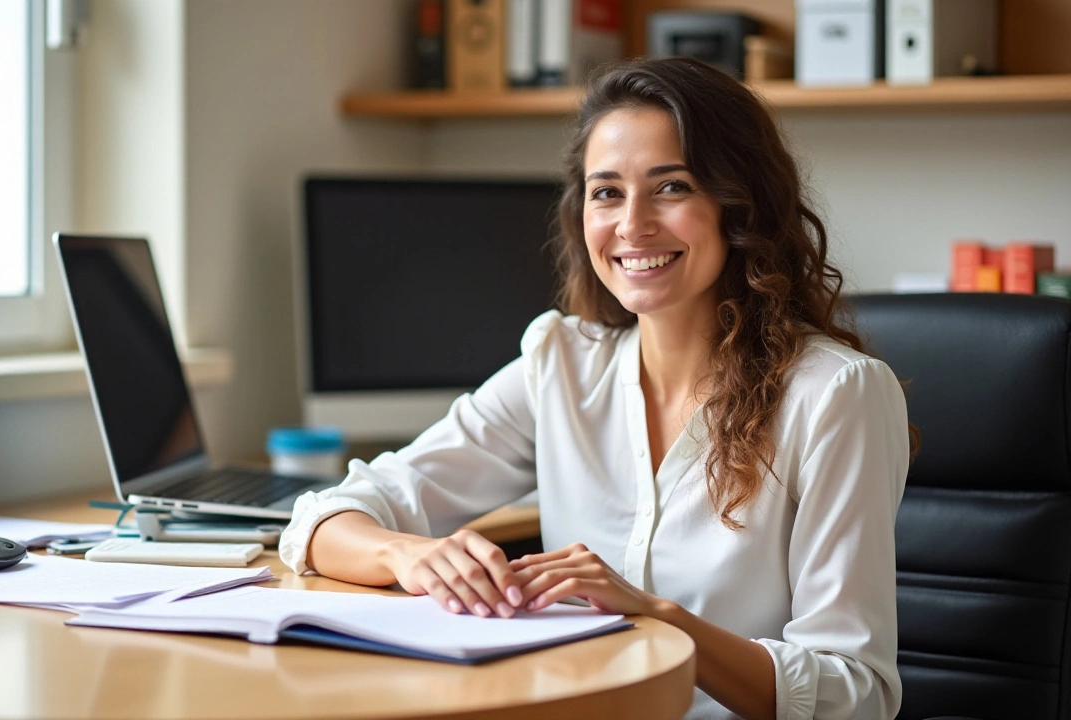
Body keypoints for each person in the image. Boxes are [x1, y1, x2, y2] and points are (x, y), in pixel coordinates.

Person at [279, 56, 912, 720]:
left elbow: (856, 693)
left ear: (739, 203)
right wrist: (411, 555)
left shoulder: (836, 395)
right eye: (606, 192)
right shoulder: (561, 363)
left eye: (671, 187)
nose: (632, 224)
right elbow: (324, 519)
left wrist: (656, 616)